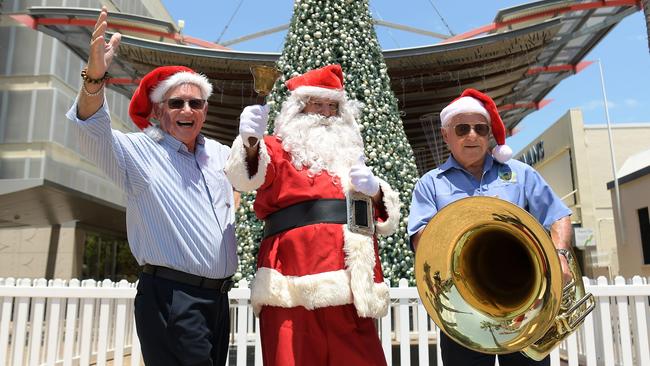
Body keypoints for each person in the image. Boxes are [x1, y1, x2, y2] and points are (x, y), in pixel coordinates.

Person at [65, 7, 236, 366]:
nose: (187, 109)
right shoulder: (138, 150)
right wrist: (94, 78)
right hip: (172, 297)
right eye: (176, 103)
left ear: (205, 110)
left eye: (196, 102)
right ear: (158, 111)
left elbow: (256, 175)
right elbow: (89, 127)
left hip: (219, 300)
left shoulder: (220, 154)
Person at [225, 64, 401, 366]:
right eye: (317, 104)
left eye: (332, 106)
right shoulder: (277, 149)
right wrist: (251, 142)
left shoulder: (351, 158)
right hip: (291, 286)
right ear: (298, 109)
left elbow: (383, 219)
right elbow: (244, 179)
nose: (325, 113)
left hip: (349, 288)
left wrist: (375, 192)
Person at [407, 88, 574, 366]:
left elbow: (558, 215)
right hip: (464, 309)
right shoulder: (429, 184)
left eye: (480, 128)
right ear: (446, 135)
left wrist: (560, 256)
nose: (472, 135)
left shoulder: (521, 174)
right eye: (462, 128)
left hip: (526, 304)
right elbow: (422, 241)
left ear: (489, 135)